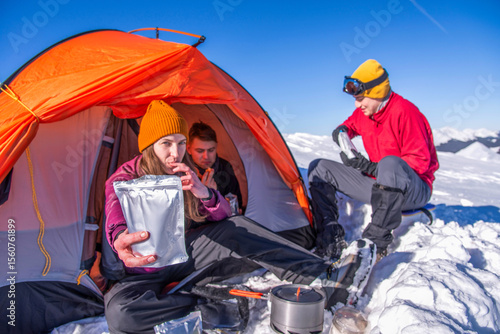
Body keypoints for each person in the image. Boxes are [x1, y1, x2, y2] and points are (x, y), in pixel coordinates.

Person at [104, 100, 376, 333]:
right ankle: (212, 307)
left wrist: (205, 194)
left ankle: (324, 277)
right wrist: (119, 239)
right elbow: (115, 218)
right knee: (120, 313)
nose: (176, 153)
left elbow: (223, 216)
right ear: (149, 146)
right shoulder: (125, 179)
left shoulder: (186, 172)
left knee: (236, 226)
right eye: (166, 144)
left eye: (181, 143)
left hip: (184, 254)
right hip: (143, 268)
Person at [308, 59, 439, 262]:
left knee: (390, 163)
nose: (357, 104)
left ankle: (374, 245)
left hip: (414, 189)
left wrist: (369, 167)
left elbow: (419, 164)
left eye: (361, 98)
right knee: (319, 167)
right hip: (381, 184)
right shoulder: (366, 113)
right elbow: (349, 125)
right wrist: (341, 134)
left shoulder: (406, 112)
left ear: (376, 92)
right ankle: (329, 235)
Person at [187, 121, 243, 212]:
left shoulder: (225, 167)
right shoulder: (184, 171)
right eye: (200, 151)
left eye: (211, 150)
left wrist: (231, 206)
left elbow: (237, 202)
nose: (206, 156)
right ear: (189, 149)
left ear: (216, 147)